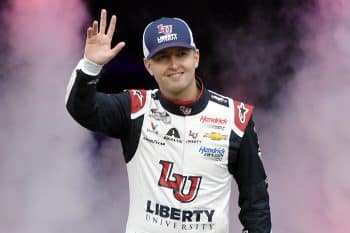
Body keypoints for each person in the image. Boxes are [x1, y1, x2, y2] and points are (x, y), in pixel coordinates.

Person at [66, 9, 271, 233]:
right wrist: (90, 66)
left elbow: (256, 203)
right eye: (162, 57)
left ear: (196, 57)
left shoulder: (235, 118)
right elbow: (82, 109)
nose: (173, 65)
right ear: (148, 65)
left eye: (181, 54)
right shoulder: (136, 108)